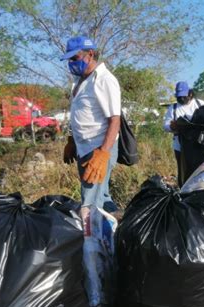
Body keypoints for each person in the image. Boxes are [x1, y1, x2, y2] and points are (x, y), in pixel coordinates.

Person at [60, 35, 121, 232]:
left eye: (75, 58)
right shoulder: (79, 82)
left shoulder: (104, 80)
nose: (72, 63)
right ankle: (118, 231)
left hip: (99, 148)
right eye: (70, 59)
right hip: (83, 147)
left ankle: (93, 253)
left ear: (90, 54)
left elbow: (114, 120)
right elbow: (79, 114)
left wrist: (103, 153)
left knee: (89, 205)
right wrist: (71, 140)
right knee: (101, 197)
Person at [163, 81, 204, 186]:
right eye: (179, 97)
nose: (181, 99)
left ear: (190, 94)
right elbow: (165, 125)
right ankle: (184, 191)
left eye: (184, 96)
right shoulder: (173, 108)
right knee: (184, 171)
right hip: (181, 146)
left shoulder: (200, 104)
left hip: (202, 144)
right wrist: (172, 126)